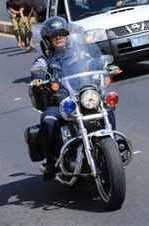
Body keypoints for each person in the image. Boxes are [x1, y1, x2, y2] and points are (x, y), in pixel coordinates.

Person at [30, 16, 118, 180]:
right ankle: (50, 162)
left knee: (105, 107)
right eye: (54, 35)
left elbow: (95, 62)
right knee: (48, 120)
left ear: (68, 35)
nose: (58, 37)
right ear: (48, 40)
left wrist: (108, 66)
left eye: (62, 33)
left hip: (83, 96)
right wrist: (38, 78)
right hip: (61, 103)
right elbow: (37, 70)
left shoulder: (80, 53)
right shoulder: (45, 60)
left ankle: (113, 142)